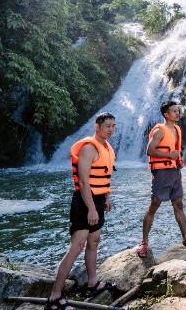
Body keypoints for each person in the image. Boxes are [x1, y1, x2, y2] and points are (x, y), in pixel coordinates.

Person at [45, 113, 117, 310]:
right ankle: (54, 297)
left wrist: (107, 197)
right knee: (76, 246)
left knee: (94, 242)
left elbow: (104, 175)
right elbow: (84, 182)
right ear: (97, 126)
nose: (111, 129)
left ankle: (92, 284)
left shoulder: (107, 148)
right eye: (107, 125)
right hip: (85, 202)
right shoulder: (88, 148)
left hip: (98, 200)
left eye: (113, 126)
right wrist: (92, 209)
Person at [137, 101, 186, 258]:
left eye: (178, 110)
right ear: (166, 114)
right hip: (162, 172)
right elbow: (149, 150)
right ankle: (144, 242)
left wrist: (177, 161)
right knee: (154, 205)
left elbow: (176, 151)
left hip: (174, 172)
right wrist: (168, 155)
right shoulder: (159, 130)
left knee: (178, 204)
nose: (177, 113)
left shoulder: (177, 129)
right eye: (174, 111)